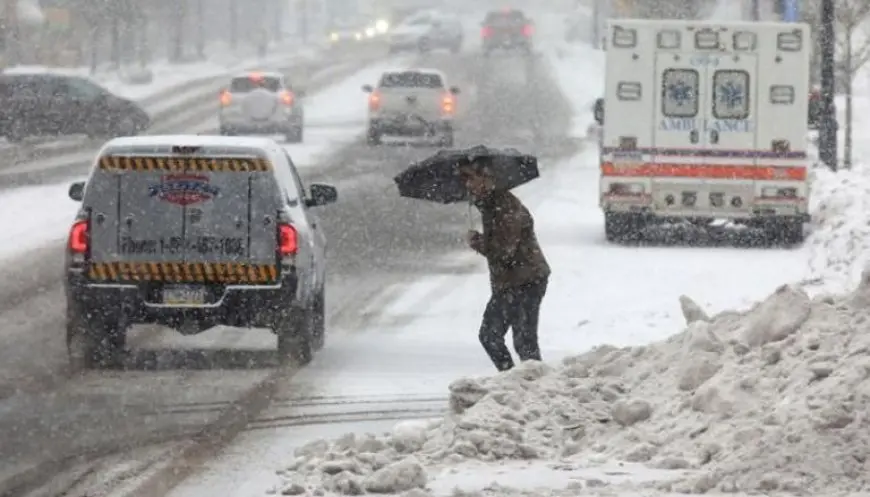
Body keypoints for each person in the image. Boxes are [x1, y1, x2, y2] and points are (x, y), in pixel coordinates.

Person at [459, 159, 551, 372]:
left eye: (470, 177)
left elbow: (504, 252)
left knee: (507, 338)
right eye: (463, 179)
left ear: (487, 177)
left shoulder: (504, 207)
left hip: (524, 280)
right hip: (515, 280)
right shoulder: (491, 205)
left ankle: (521, 387)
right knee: (514, 339)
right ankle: (520, 387)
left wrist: (478, 242)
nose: (467, 184)